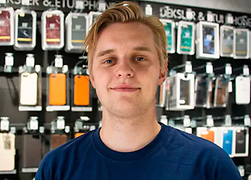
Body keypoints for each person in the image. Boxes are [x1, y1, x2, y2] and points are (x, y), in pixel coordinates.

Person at [35, 1, 242, 180]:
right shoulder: (57, 168)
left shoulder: (210, 166)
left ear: (162, 71)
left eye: (139, 58)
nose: (124, 70)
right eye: (109, 60)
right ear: (92, 76)